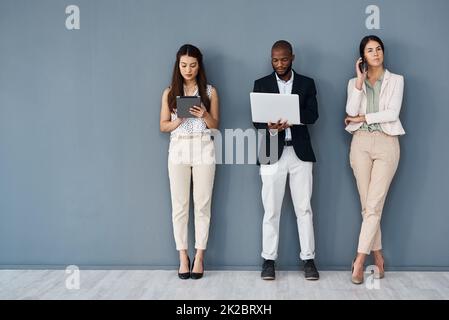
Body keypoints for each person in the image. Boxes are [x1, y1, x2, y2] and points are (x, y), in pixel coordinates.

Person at [253, 40, 319, 281]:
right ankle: (268, 261)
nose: (279, 64)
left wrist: (293, 118)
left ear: (292, 57)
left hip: (300, 153)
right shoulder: (261, 83)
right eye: (274, 60)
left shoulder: (306, 83)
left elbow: (313, 115)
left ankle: (309, 260)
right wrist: (269, 125)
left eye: (283, 59)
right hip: (271, 151)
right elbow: (256, 120)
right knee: (270, 210)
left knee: (304, 209)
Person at [344, 35, 405, 284]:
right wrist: (359, 82)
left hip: (387, 142)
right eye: (370, 50)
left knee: (373, 204)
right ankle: (378, 257)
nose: (376, 53)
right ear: (363, 56)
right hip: (360, 143)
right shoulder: (353, 82)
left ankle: (359, 261)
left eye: (379, 49)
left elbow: (392, 113)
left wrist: (364, 117)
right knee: (367, 205)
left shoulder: (396, 80)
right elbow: (349, 112)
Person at [160, 44, 219, 280]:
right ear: (178, 65)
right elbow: (163, 125)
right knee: (180, 205)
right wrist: (179, 119)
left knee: (203, 204)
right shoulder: (169, 92)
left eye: (193, 65)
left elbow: (215, 125)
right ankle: (183, 256)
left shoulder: (210, 91)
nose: (188, 69)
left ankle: (200, 257)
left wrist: (203, 113)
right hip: (179, 148)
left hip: (204, 146)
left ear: (199, 66)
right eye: (184, 65)